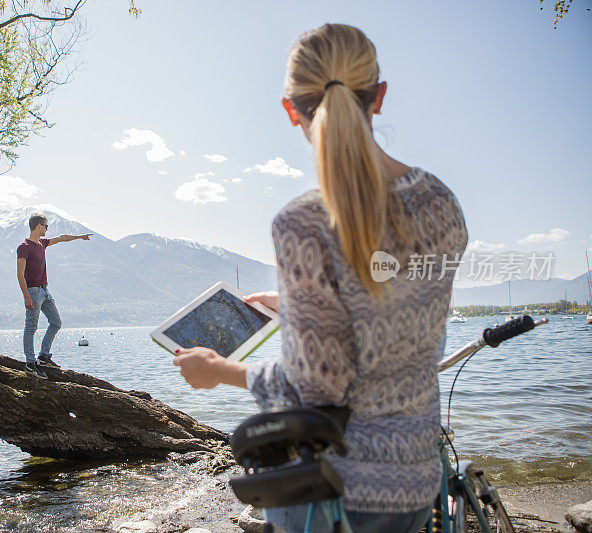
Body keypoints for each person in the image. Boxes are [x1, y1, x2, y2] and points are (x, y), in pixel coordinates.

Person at [173, 23, 467, 533]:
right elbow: (394, 317)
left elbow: (316, 388)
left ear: (291, 111)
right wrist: (297, 308)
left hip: (337, 494)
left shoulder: (302, 224)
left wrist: (218, 369)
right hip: (418, 482)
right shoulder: (442, 203)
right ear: (379, 97)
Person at [17, 213, 91, 379]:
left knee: (56, 322)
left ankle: (43, 356)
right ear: (38, 226)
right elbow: (20, 275)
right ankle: (30, 363)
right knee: (31, 327)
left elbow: (62, 238)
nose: (47, 229)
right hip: (33, 292)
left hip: (45, 291)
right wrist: (26, 297)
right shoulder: (24, 247)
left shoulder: (42, 243)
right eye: (46, 226)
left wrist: (79, 237)